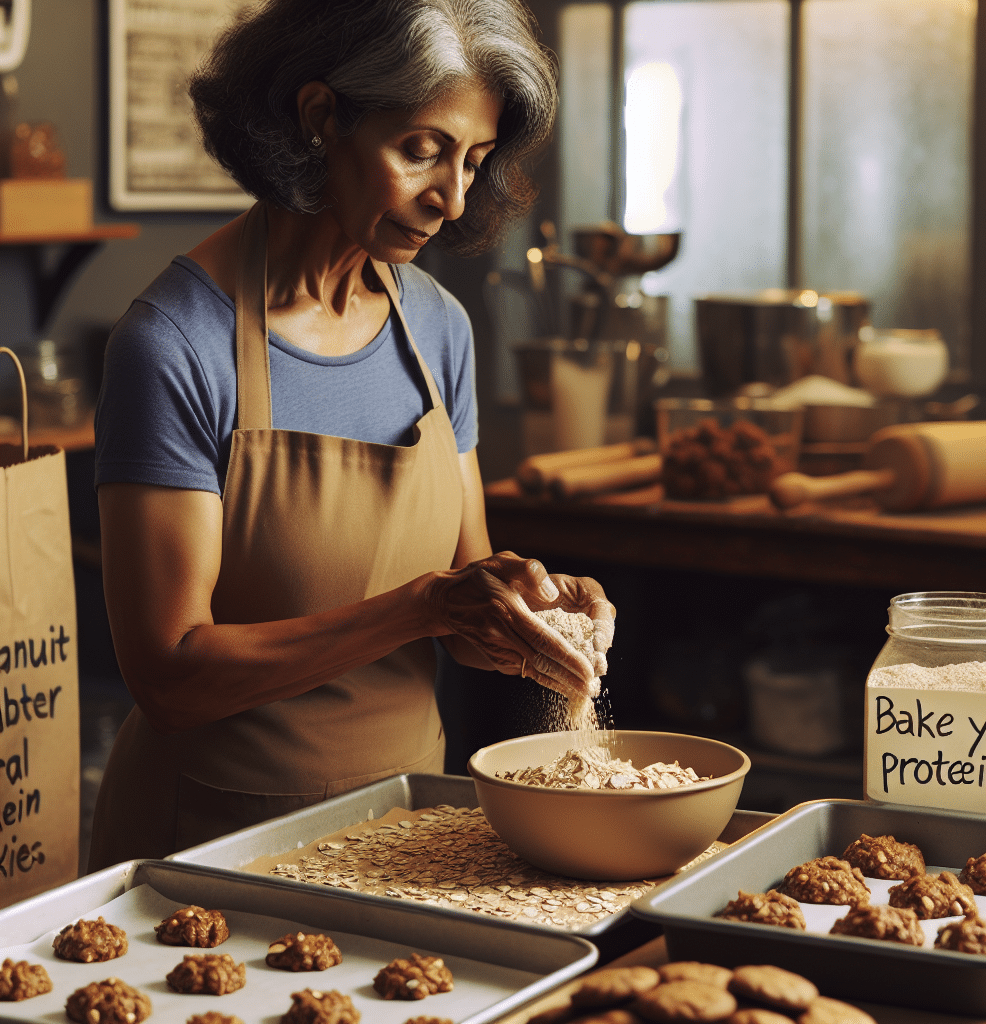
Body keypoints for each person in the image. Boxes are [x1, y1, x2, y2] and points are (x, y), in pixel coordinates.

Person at [88, 0, 614, 869]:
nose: (450, 199)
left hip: (407, 829)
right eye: (422, 151)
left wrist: (537, 618)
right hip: (211, 845)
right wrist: (423, 605)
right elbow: (170, 677)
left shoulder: (439, 329)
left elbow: (463, 605)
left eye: (473, 163)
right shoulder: (173, 345)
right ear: (320, 118)